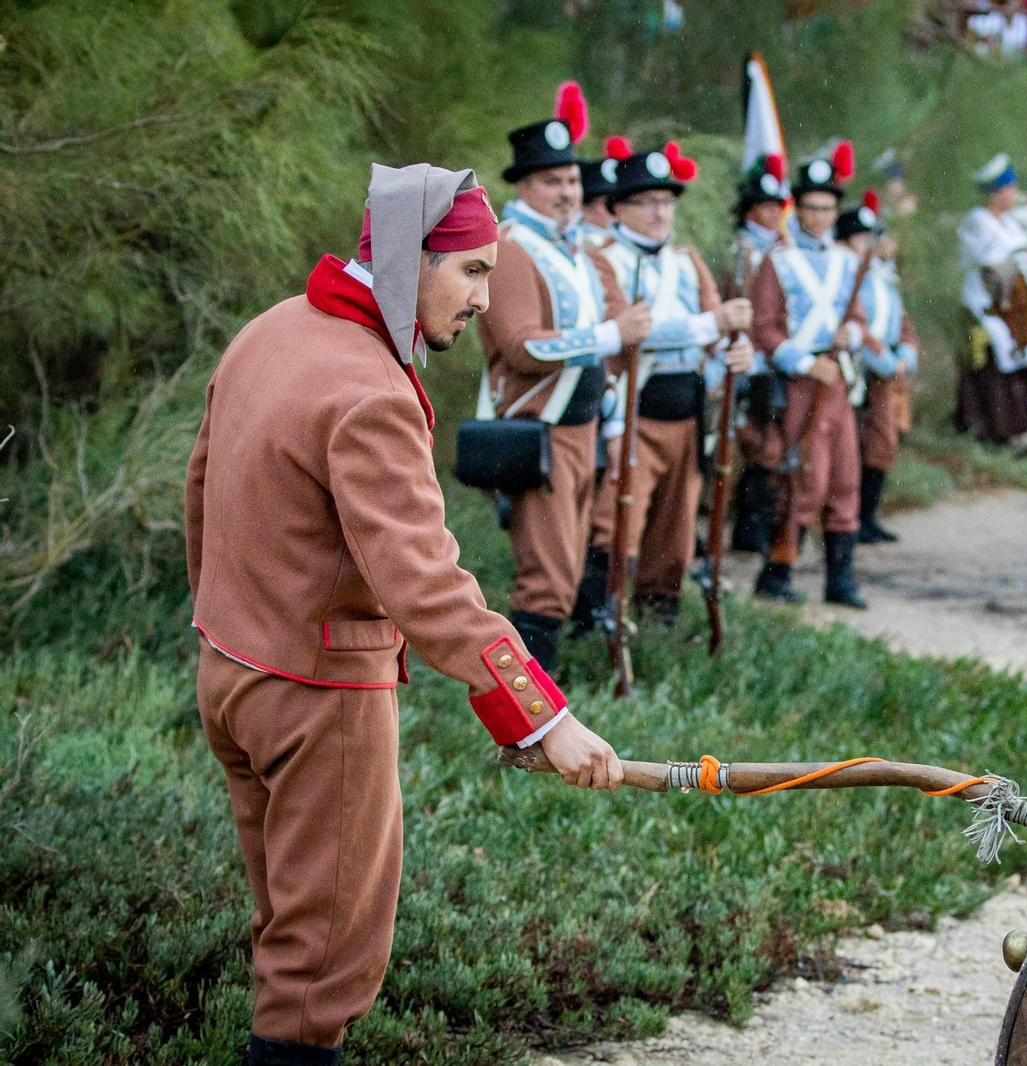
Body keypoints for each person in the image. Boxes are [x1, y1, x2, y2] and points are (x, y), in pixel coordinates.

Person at [185, 163, 622, 1066]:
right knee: (323, 962)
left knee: (287, 926)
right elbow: (425, 584)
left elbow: (200, 494)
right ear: (405, 262)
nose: (482, 298)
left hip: (230, 672)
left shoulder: (268, 332)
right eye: (469, 271)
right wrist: (545, 717)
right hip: (317, 698)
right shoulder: (370, 390)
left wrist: (224, 627)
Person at [475, 86, 653, 670]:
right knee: (546, 579)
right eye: (551, 182)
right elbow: (521, 346)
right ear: (523, 187)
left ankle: (546, 696)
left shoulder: (577, 251)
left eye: (572, 181)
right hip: (539, 426)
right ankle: (529, 714)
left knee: (572, 566)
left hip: (582, 428)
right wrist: (611, 336)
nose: (567, 193)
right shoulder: (512, 249)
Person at [587, 142, 756, 626]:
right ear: (619, 208)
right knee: (618, 522)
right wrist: (711, 327)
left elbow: (716, 330)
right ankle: (600, 615)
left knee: (676, 527)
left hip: (688, 408)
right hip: (633, 409)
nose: (661, 212)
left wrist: (731, 353)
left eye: (667, 201)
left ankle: (659, 616)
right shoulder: (602, 259)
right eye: (647, 202)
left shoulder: (687, 260)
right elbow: (627, 330)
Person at [750, 141, 878, 608]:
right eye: (811, 207)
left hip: (839, 379)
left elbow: (862, 320)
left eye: (827, 208)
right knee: (805, 476)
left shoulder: (848, 261)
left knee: (846, 478)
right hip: (802, 382)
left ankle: (840, 580)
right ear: (797, 209)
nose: (819, 216)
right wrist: (805, 363)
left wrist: (852, 334)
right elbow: (764, 328)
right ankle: (778, 571)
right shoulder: (777, 261)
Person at [836, 193, 918, 545]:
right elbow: (857, 327)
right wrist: (884, 360)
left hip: (886, 374)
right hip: (860, 371)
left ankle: (867, 516)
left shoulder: (882, 279)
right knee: (852, 446)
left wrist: (905, 355)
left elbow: (903, 325)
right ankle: (848, 519)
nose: (869, 246)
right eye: (861, 239)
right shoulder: (845, 277)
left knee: (882, 444)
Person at [726, 153, 792, 555]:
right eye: (764, 207)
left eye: (775, 207)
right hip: (747, 357)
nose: (771, 214)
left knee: (772, 443)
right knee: (750, 442)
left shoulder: (786, 250)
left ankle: (757, 527)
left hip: (776, 358)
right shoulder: (740, 251)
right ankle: (745, 528)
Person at [956, 152, 1027, 444]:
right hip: (984, 306)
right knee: (990, 372)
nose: (1014, 194)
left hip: (1013, 307)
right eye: (1010, 188)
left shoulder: (1010, 223)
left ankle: (1015, 427)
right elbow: (989, 265)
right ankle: (989, 430)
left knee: (1019, 367)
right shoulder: (977, 221)